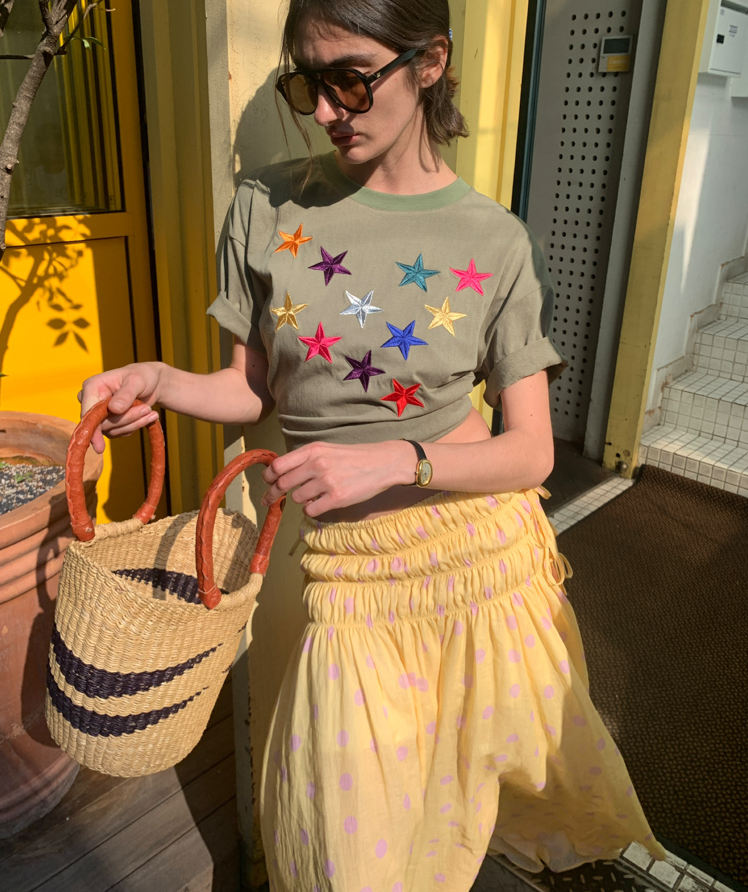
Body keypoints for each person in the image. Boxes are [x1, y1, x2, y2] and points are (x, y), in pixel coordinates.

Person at [79, 1, 665, 889]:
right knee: (349, 854)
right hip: (345, 580)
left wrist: (401, 460)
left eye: (351, 80)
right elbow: (252, 391)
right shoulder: (264, 204)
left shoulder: (495, 239)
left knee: (457, 810)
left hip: (478, 565)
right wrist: (158, 381)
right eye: (308, 84)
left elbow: (532, 454)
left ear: (429, 63)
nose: (325, 110)